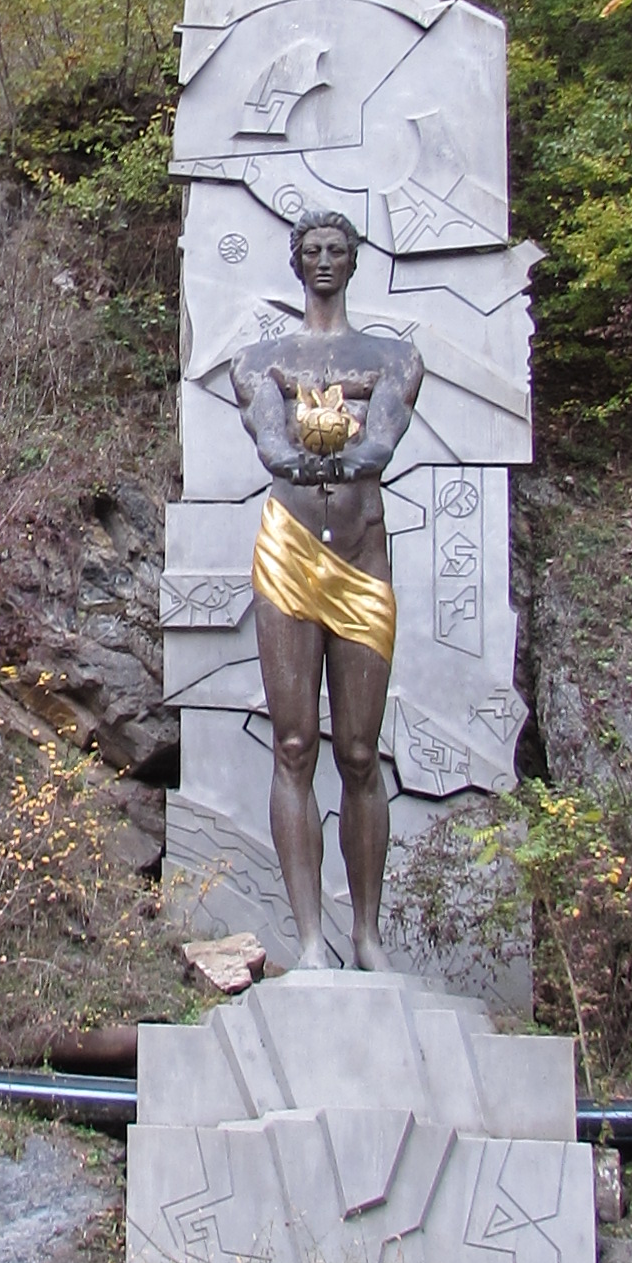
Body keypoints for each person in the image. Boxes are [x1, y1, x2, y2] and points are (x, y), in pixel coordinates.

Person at [227, 209, 422, 970]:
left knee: (362, 751)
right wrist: (313, 456)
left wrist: (338, 455)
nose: (325, 261)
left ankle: (366, 935)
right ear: (296, 261)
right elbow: (271, 442)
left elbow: (383, 440)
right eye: (312, 250)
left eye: (338, 250)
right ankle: (310, 940)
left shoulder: (393, 357)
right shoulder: (259, 360)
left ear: (354, 260)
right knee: (294, 743)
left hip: (363, 556)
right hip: (291, 551)